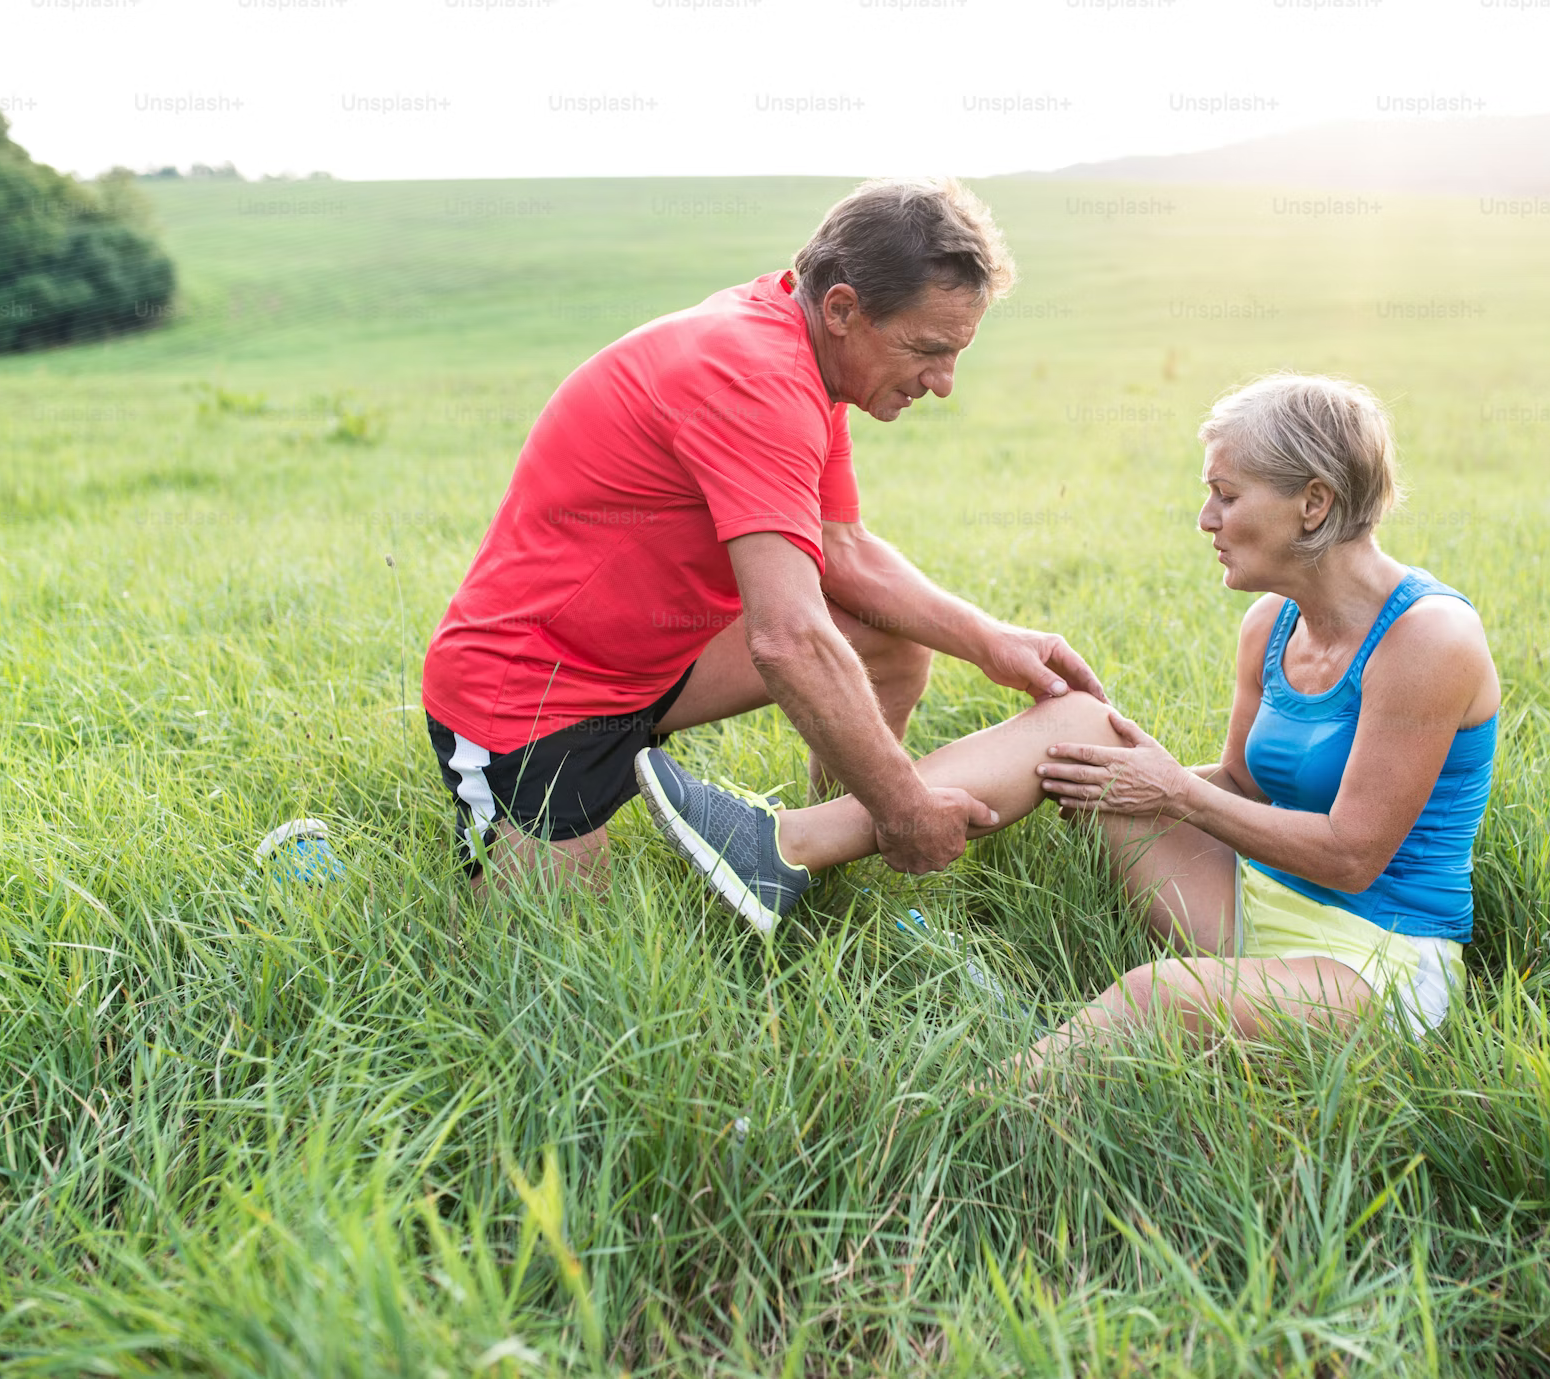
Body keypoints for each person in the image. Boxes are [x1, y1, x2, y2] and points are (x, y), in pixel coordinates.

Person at [638, 373, 1500, 1057]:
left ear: (1312, 503)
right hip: (1255, 903)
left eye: (1227, 497)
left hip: (1379, 962)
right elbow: (1241, 781)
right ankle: (781, 846)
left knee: (1157, 993)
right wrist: (1094, 777)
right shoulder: (1272, 624)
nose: (1206, 520)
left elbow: (1352, 855)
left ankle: (975, 1123)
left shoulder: (1428, 641)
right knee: (1076, 721)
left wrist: (1175, 794)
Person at [419, 178, 1105, 901]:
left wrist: (994, 640)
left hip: (653, 667)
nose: (943, 383)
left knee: (890, 638)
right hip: (531, 694)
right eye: (927, 349)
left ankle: (800, 859)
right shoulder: (757, 377)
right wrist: (904, 809)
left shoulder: (805, 347)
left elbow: (844, 551)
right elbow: (787, 638)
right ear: (842, 308)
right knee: (552, 963)